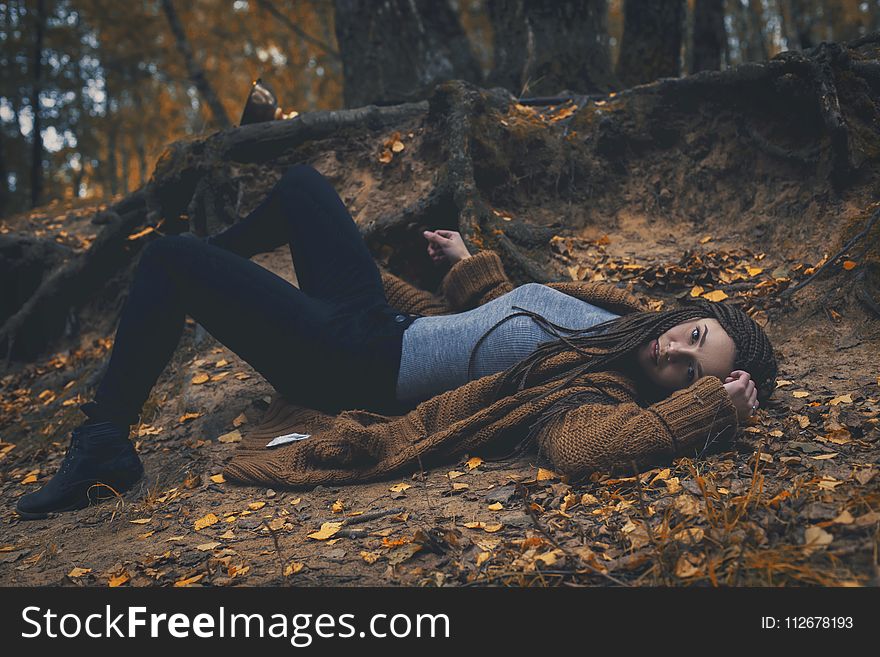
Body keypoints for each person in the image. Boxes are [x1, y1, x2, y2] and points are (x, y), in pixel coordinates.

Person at [15, 164, 776, 518]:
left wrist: (711, 410)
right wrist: (464, 272)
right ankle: (197, 284)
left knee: (168, 258)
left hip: (355, 362)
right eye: (693, 337)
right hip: (385, 322)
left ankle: (103, 440)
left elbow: (587, 455)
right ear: (687, 314)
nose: (672, 354)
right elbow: (492, 325)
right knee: (302, 188)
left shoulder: (598, 393)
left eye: (687, 374)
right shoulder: (620, 321)